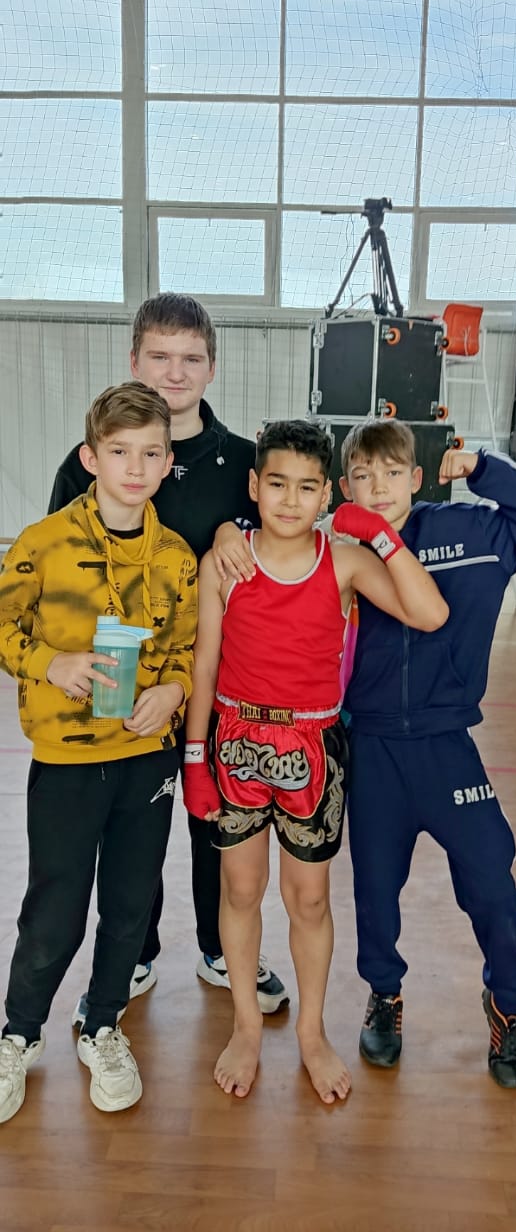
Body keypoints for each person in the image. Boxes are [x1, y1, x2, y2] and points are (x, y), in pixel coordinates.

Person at [182, 420, 448, 1104]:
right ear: (254, 485)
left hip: (314, 748)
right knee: (240, 891)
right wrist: (195, 757)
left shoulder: (346, 561)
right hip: (235, 744)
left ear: (327, 494)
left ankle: (310, 1031)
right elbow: (204, 664)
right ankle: (246, 1025)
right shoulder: (226, 562)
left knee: (308, 899)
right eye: (278, 484)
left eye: (307, 488)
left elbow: (429, 613)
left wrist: (380, 535)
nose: (291, 501)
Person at [49, 292, 288, 1018]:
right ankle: (135, 954)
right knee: (134, 833)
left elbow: (290, 545)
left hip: (224, 684)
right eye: (159, 356)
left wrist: (236, 530)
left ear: (212, 367)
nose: (174, 372)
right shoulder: (90, 463)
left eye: (190, 358)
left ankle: (222, 950)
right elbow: (60, 569)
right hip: (130, 687)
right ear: (134, 360)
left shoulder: (246, 463)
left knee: (220, 824)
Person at [337, 419, 516, 1088]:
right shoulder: (339, 552)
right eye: (363, 476)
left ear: (417, 477)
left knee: (492, 879)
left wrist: (481, 469)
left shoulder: (468, 533)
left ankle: (508, 1003)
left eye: (391, 473)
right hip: (373, 748)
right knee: (375, 888)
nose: (379, 488)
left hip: (448, 749)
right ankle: (384, 993)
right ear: (346, 488)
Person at [0, 382, 197, 1123]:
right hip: (67, 760)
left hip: (147, 758)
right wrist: (48, 662)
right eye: (119, 452)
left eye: (151, 453)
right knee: (55, 908)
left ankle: (103, 1022)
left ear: (168, 461)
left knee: (128, 902)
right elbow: (2, 624)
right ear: (91, 458)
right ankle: (19, 1034)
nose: (135, 468)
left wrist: (174, 691)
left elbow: (187, 648)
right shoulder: (43, 543)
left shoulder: (176, 558)